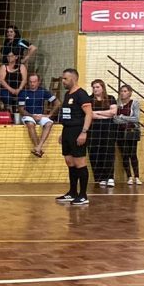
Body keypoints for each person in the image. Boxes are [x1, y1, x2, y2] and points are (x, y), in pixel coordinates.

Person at [55, 68, 93, 205]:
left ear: (73, 78)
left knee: (80, 163)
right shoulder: (67, 94)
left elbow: (89, 114)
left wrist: (84, 132)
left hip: (78, 131)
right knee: (69, 161)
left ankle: (83, 195)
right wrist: (63, 133)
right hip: (68, 131)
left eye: (65, 79)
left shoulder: (81, 94)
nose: (63, 81)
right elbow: (67, 115)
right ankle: (72, 192)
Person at [17, 73, 57, 158]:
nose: (32, 84)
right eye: (30, 82)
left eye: (34, 82)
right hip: (28, 115)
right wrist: (32, 116)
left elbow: (57, 103)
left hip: (40, 115)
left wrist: (49, 114)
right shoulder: (23, 93)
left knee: (49, 123)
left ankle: (39, 147)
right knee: (30, 124)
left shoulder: (43, 91)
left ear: (38, 82)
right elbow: (21, 110)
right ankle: (38, 148)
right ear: (28, 82)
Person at [88, 80, 118, 188]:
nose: (95, 89)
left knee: (108, 152)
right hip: (93, 129)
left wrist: (97, 113)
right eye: (93, 87)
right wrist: (106, 114)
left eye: (97, 87)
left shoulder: (111, 98)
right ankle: (100, 178)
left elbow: (113, 112)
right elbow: (90, 114)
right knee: (95, 153)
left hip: (108, 129)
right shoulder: (89, 100)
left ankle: (110, 177)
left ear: (103, 88)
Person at [113, 83, 142, 185]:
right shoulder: (116, 104)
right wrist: (126, 119)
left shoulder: (134, 103)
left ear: (130, 93)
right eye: (121, 91)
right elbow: (115, 119)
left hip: (131, 131)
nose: (122, 93)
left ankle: (137, 176)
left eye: (125, 91)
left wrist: (122, 117)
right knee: (124, 155)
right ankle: (129, 176)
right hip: (119, 132)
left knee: (132, 154)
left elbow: (136, 118)